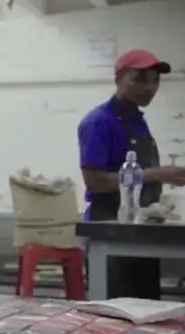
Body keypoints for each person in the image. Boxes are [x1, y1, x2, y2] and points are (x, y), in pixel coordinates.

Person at [78, 48, 184, 299]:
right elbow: (94, 180)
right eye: (139, 79)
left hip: (140, 229)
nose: (149, 88)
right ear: (118, 78)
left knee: (146, 306)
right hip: (110, 227)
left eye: (155, 80)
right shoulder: (99, 122)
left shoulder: (137, 120)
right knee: (115, 307)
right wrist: (156, 174)